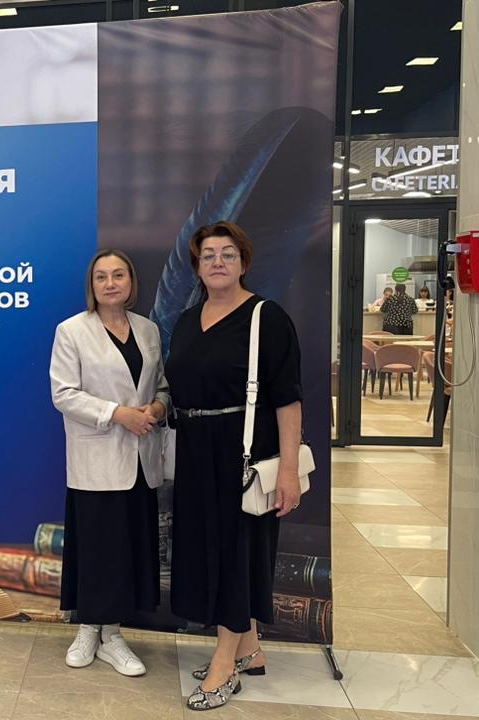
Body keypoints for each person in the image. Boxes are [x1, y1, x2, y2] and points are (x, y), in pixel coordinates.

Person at [164, 221, 303, 711]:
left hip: (243, 451)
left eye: (227, 253)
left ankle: (225, 662)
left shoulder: (267, 317)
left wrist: (289, 471)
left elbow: (288, 401)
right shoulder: (187, 320)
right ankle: (250, 649)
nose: (218, 262)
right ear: (197, 266)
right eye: (208, 255)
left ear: (243, 262)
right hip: (195, 450)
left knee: (235, 553)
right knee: (207, 550)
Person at [49, 249, 169, 678]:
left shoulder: (148, 330)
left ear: (131, 282)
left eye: (119, 275)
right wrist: (119, 414)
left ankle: (113, 636)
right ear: (92, 285)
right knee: (97, 547)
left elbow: (162, 385)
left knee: (127, 549)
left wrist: (156, 408)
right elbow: (64, 394)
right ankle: (87, 630)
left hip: (140, 459)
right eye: (102, 277)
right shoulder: (72, 331)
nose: (111, 283)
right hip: (96, 458)